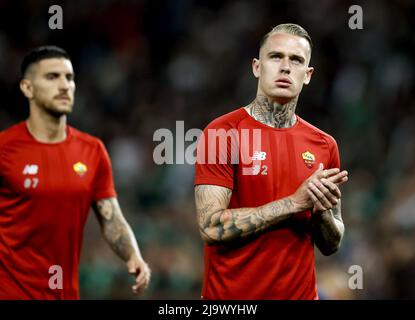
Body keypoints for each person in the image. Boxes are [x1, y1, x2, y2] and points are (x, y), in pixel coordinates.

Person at [194, 23, 349, 300]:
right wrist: (294, 203)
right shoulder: (222, 133)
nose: (286, 67)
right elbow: (211, 227)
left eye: (296, 60)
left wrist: (322, 213)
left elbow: (332, 243)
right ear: (257, 67)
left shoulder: (324, 145)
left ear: (308, 75)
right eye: (276, 57)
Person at [0, 46, 150, 299]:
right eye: (52, 77)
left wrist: (133, 254)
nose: (64, 85)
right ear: (27, 88)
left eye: (69, 78)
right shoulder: (5, 148)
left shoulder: (93, 150)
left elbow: (111, 217)